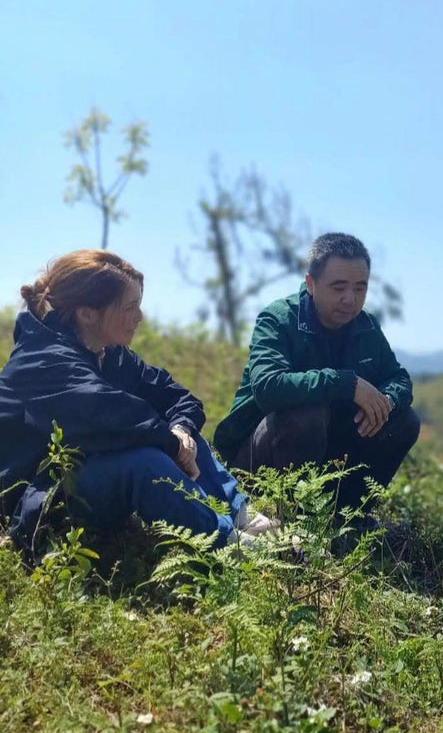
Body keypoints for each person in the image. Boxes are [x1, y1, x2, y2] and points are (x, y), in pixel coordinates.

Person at [0, 250, 273, 553]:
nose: (139, 317)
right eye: (130, 307)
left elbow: (176, 397)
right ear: (87, 313)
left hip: (83, 478)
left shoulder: (109, 353)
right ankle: (230, 545)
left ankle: (242, 518)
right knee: (144, 461)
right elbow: (110, 415)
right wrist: (171, 445)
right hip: (38, 500)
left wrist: (181, 431)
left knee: (182, 434)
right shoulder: (42, 359)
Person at [214, 232, 419, 513]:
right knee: (306, 414)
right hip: (258, 462)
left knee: (404, 420)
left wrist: (385, 402)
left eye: (360, 288)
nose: (350, 299)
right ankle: (293, 519)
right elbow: (268, 387)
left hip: (330, 456)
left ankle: (348, 517)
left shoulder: (367, 326)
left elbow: (399, 378)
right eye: (338, 288)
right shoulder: (278, 319)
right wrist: (347, 384)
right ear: (311, 284)